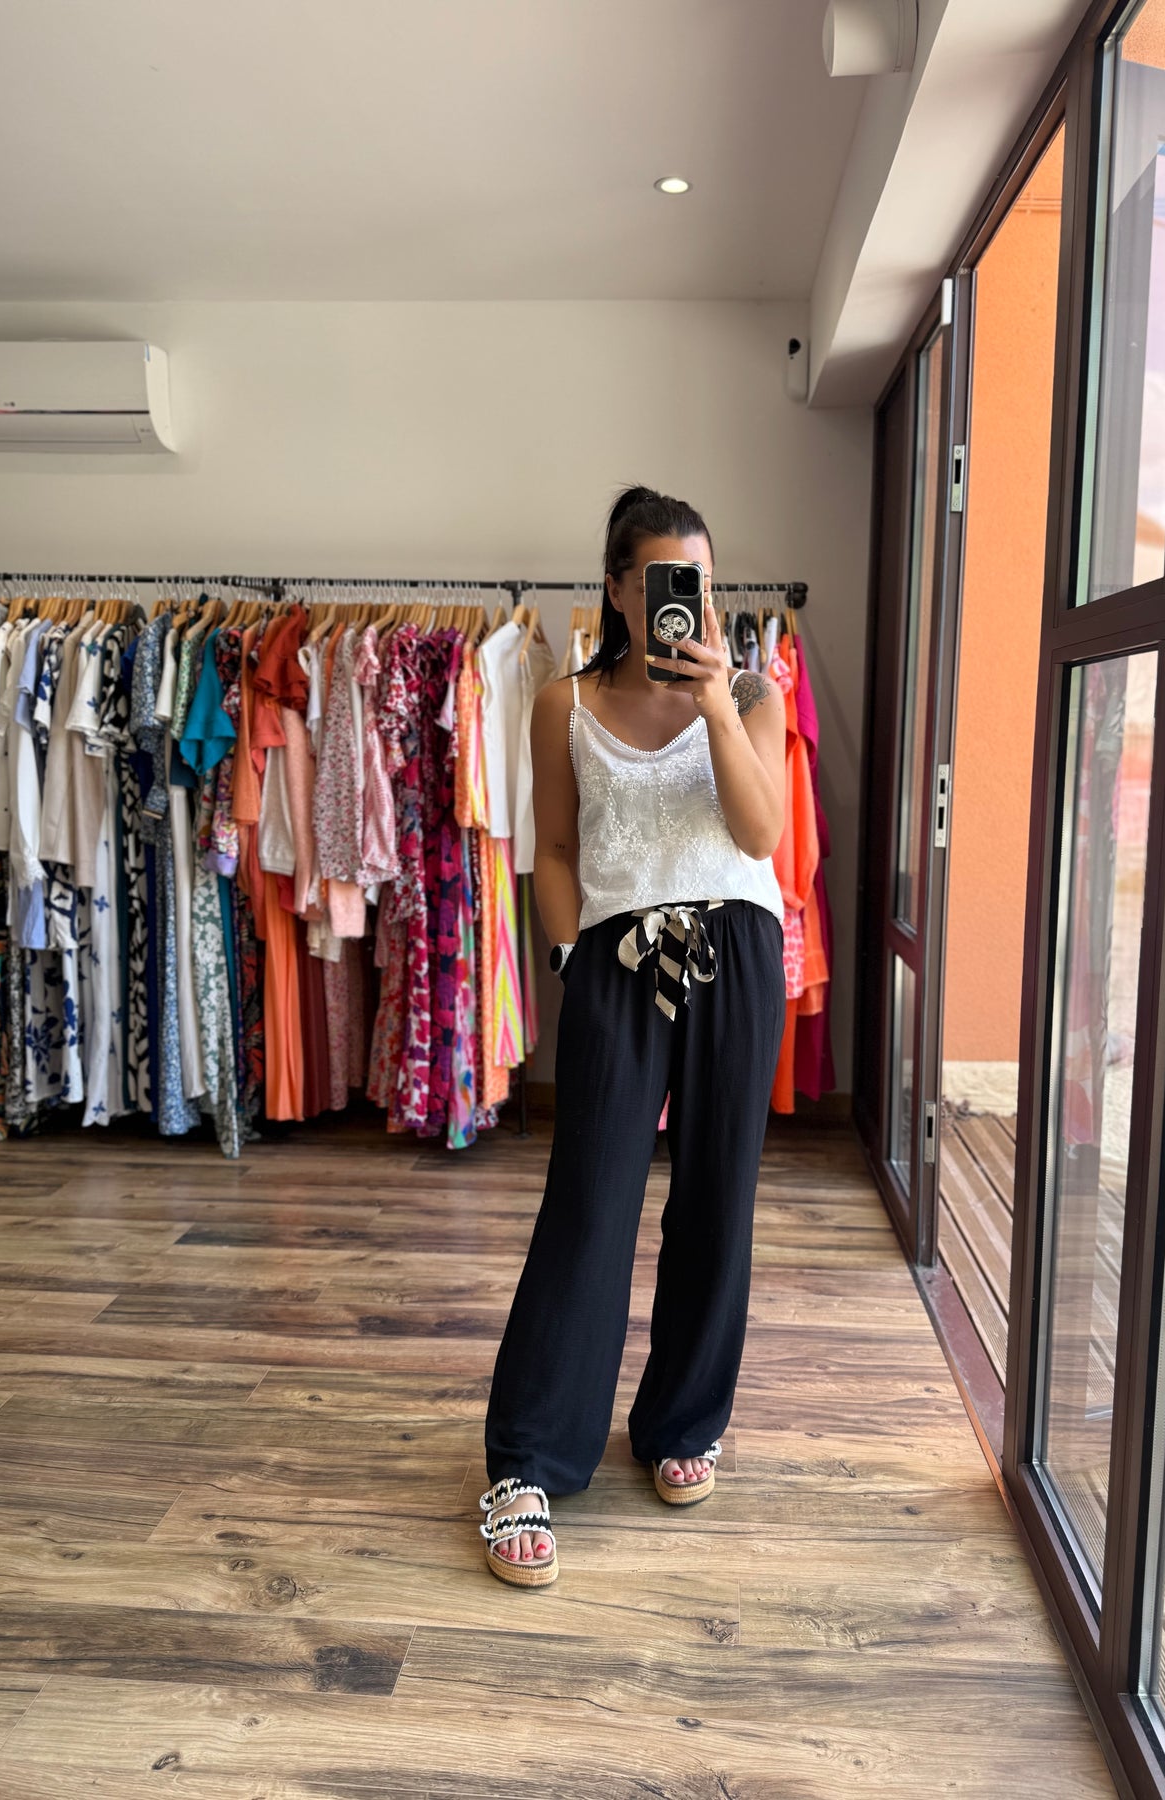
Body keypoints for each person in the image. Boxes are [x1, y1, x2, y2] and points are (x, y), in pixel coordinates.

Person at [477, 485, 788, 1586]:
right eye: (663, 579)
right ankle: (529, 1456)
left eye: (698, 579)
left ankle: (682, 1423)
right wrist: (573, 960)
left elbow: (762, 833)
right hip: (616, 960)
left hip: (737, 951)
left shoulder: (751, 693)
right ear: (618, 588)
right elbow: (555, 852)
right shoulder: (560, 703)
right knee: (589, 1203)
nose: (682, 597)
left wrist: (715, 707)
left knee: (717, 1198)